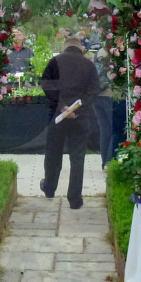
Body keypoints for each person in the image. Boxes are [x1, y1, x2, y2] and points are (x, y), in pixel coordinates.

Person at [39, 34, 99, 209]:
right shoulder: (89, 65)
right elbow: (94, 89)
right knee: (77, 158)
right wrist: (77, 108)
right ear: (80, 48)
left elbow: (46, 84)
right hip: (80, 118)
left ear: (65, 47)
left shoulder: (55, 61)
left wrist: (62, 106)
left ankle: (49, 188)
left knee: (53, 154)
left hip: (57, 117)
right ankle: (74, 199)